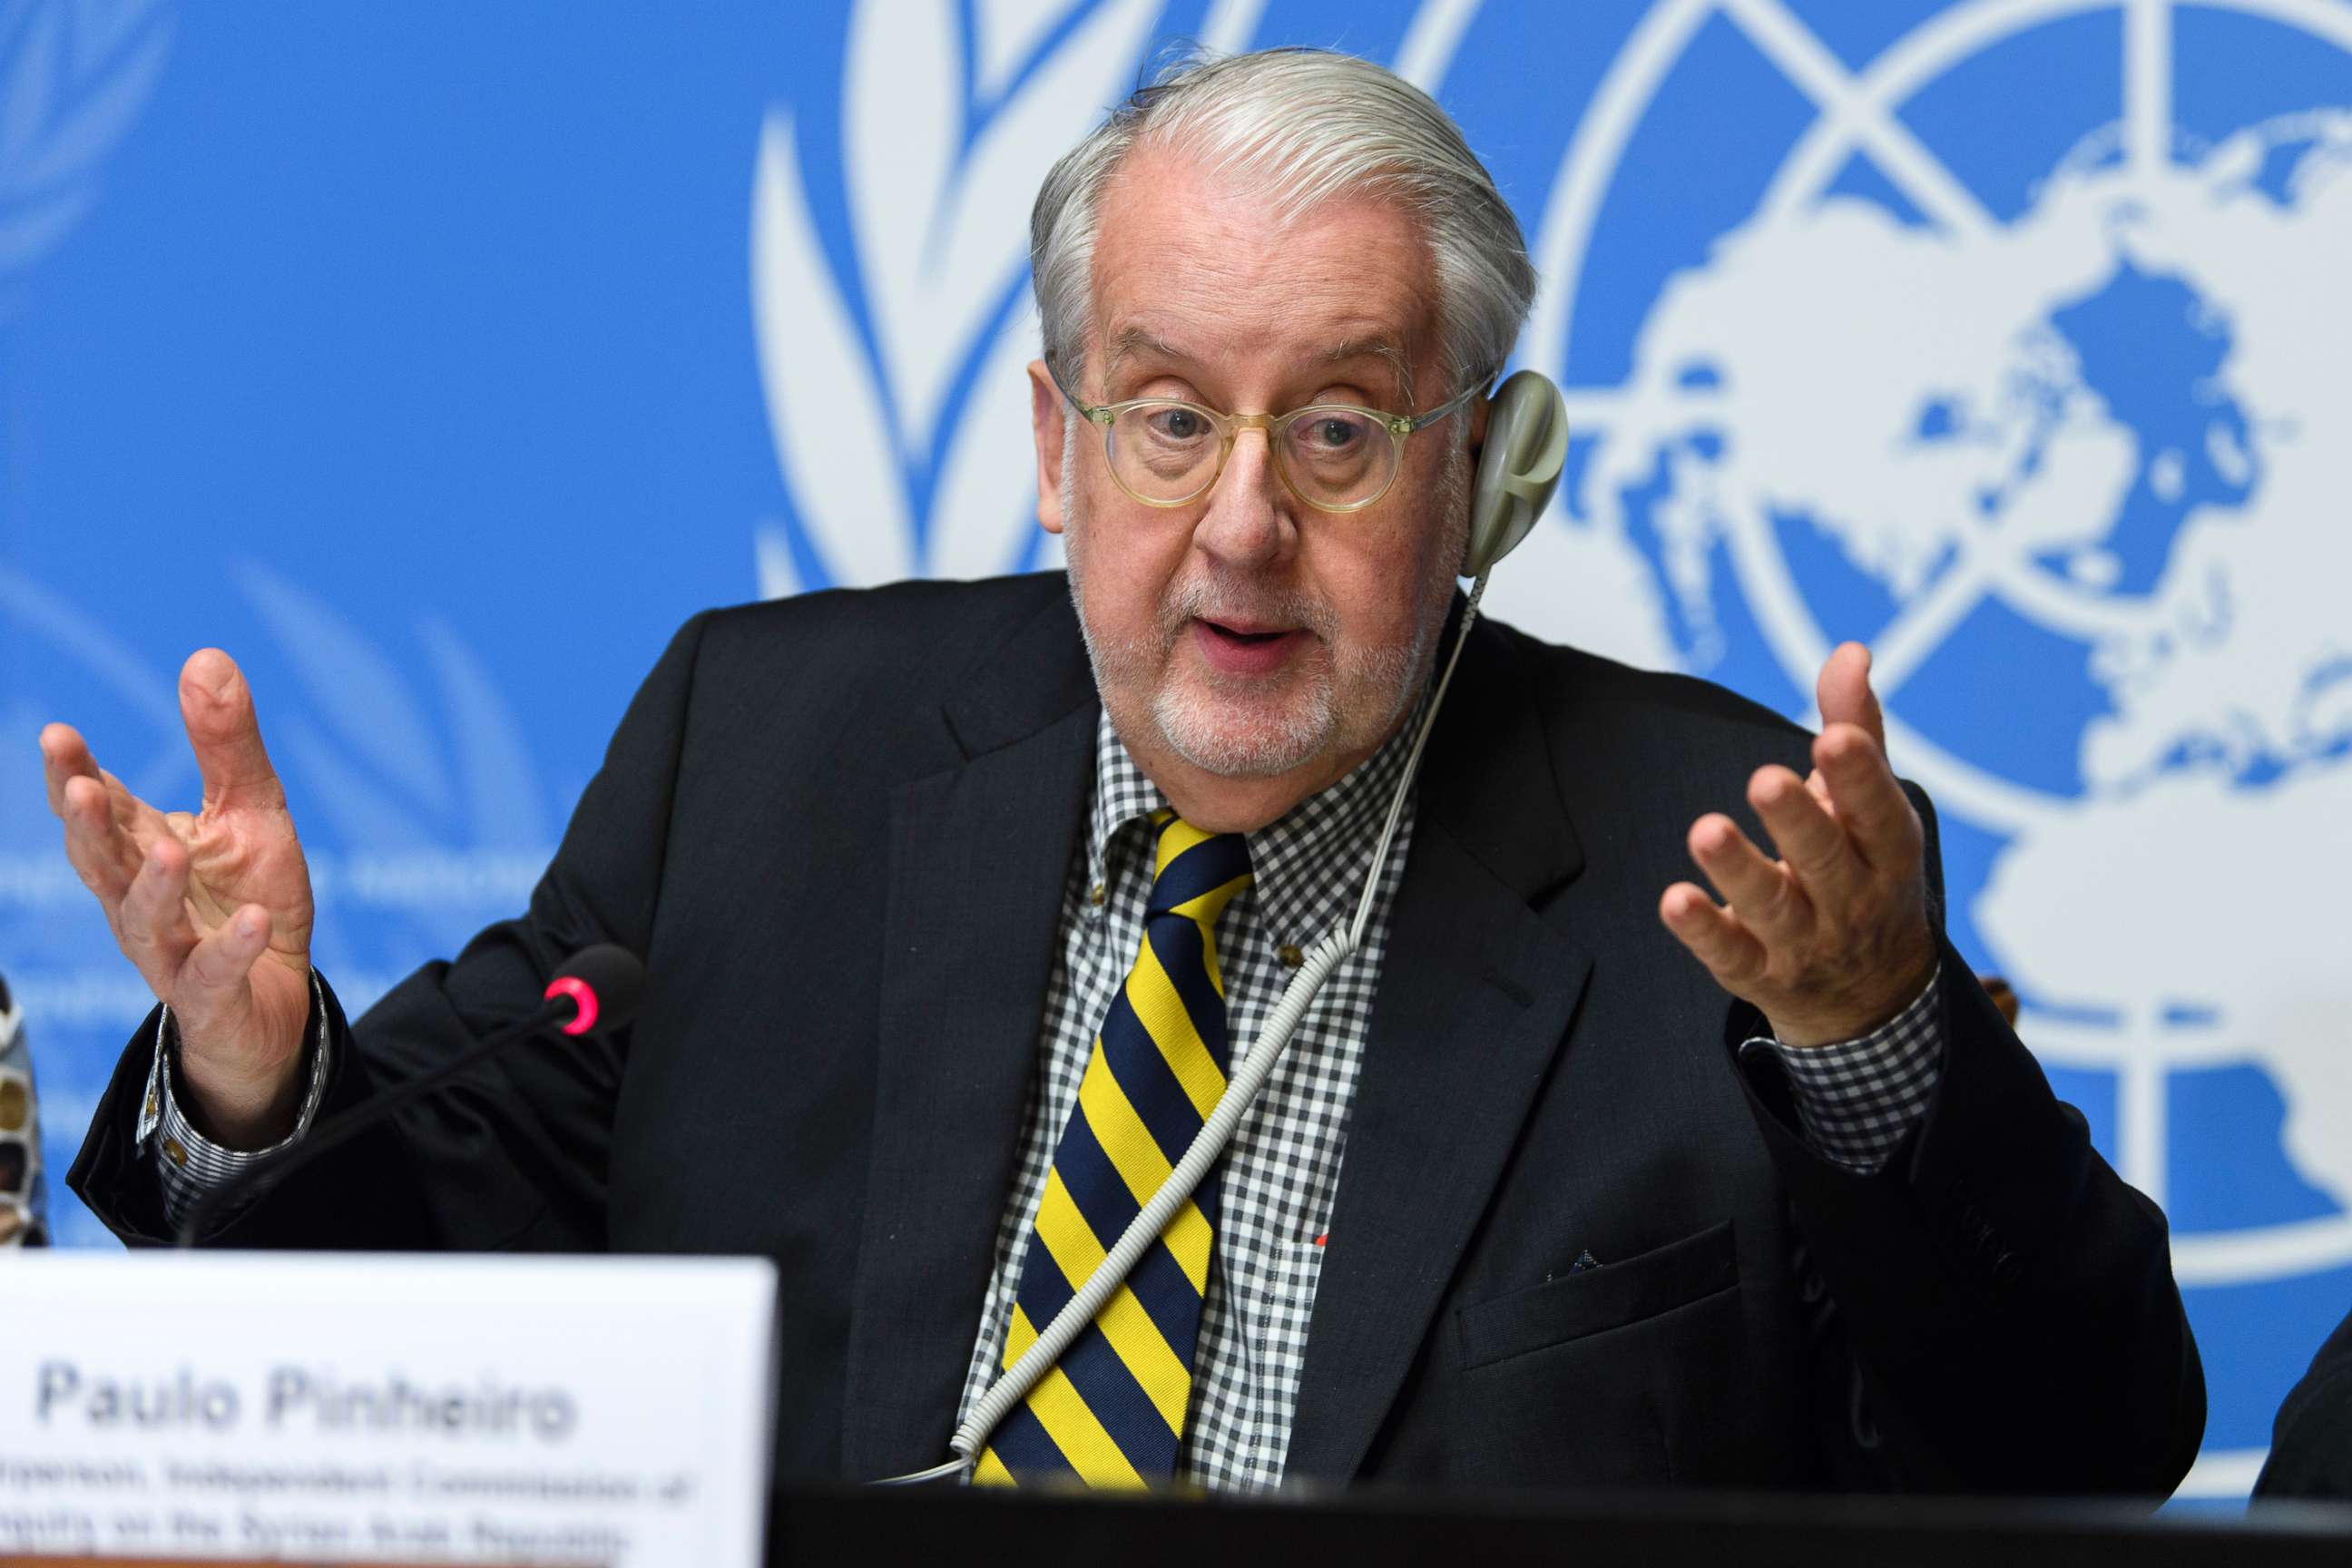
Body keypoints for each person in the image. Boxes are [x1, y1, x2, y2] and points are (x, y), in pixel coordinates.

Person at [48, 47, 2199, 1495]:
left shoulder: (1734, 865)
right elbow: (424, 1291)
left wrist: (1874, 1050)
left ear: (1494, 474)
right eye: (1170, 418)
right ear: (1059, 447)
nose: (1244, 525)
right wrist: (253, 1071)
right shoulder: (771, 748)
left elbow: (2083, 1452)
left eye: (1340, 430)